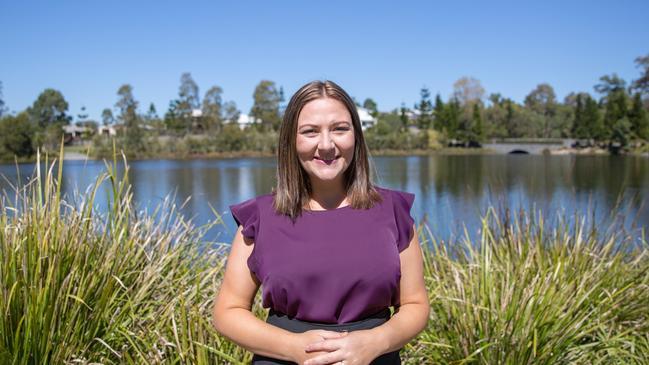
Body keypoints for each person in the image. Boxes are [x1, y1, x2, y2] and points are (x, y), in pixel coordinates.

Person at [212, 80, 429, 365]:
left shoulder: (392, 211)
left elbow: (416, 305)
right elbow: (227, 311)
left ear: (356, 136)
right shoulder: (261, 218)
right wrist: (293, 347)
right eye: (310, 131)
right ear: (292, 140)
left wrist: (376, 342)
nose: (326, 145)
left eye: (339, 129)